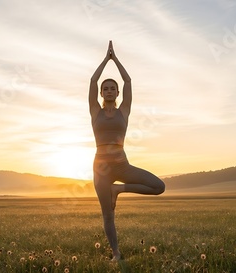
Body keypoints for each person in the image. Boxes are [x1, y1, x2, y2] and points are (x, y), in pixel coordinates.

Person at [89, 41, 165, 261]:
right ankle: (116, 254)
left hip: (122, 164)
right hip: (101, 168)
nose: (109, 90)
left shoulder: (124, 110)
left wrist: (116, 60)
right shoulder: (95, 111)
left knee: (159, 186)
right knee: (107, 215)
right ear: (102, 93)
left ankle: (119, 189)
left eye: (113, 88)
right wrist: (105, 60)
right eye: (106, 88)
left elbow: (129, 80)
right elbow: (92, 81)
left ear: (118, 92)